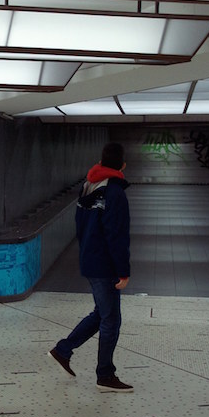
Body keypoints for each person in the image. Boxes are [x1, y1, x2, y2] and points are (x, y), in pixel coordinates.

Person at [48, 142, 133, 392]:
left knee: (101, 314)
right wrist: (123, 270)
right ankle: (105, 375)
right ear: (123, 165)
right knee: (111, 320)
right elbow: (116, 235)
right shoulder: (115, 193)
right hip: (104, 264)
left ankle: (63, 350)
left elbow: (80, 224)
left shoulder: (89, 186)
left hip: (89, 257)